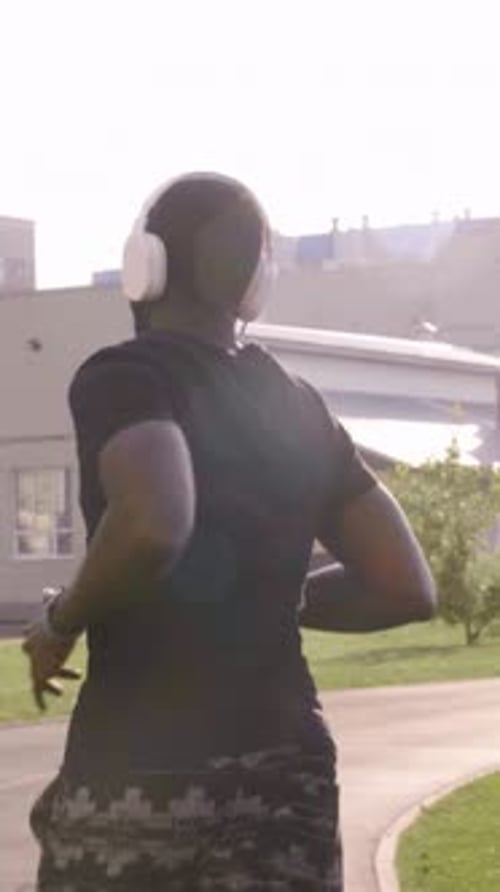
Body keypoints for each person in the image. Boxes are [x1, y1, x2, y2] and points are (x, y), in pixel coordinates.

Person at [23, 172, 436, 891]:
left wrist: (61, 621)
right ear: (253, 285)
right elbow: (405, 584)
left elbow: (154, 520)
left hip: (141, 762)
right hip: (287, 769)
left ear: (142, 263)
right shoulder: (298, 404)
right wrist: (269, 597)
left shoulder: (125, 375)